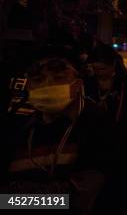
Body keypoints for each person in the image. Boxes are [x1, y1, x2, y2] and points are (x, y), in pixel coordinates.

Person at [2, 52, 117, 213]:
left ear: (77, 86)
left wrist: (14, 199)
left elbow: (80, 198)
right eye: (38, 80)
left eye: (58, 78)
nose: (47, 85)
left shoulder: (98, 125)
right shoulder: (18, 128)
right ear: (28, 86)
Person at [84, 44, 127, 128]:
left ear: (113, 64)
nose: (99, 73)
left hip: (120, 133)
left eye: (103, 69)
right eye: (95, 69)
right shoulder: (89, 81)